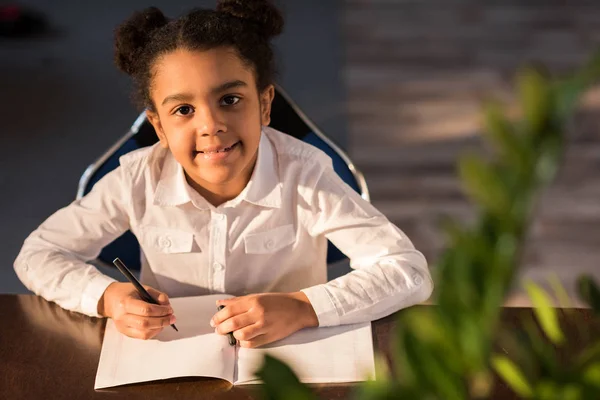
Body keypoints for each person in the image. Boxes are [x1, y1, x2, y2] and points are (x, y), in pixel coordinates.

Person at [14, 0, 432, 348]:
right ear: (158, 126)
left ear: (265, 105)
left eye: (230, 99)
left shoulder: (306, 176)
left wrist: (304, 307)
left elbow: (408, 271)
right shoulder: (137, 180)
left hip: (287, 367)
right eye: (183, 110)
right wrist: (107, 296)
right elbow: (37, 255)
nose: (211, 125)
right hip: (173, 366)